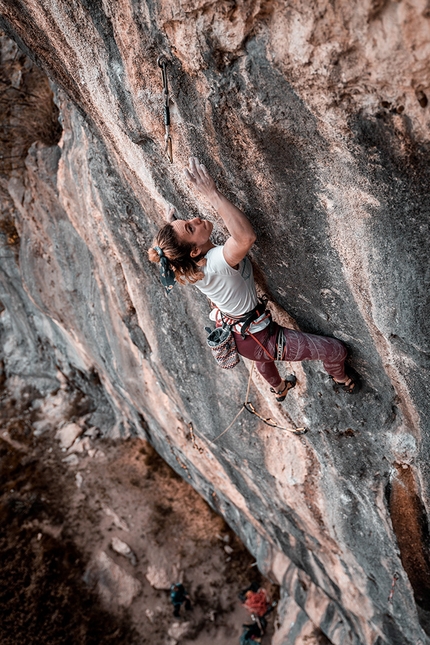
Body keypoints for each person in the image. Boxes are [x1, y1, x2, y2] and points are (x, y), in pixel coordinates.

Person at [148, 157, 358, 398]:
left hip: (240, 335)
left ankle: (279, 389)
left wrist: (173, 223)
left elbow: (178, 247)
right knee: (335, 350)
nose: (195, 219)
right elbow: (245, 238)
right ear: (193, 251)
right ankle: (340, 378)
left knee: (263, 356)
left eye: (188, 222)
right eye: (190, 228)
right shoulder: (216, 262)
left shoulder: (188, 265)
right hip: (259, 337)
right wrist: (212, 193)